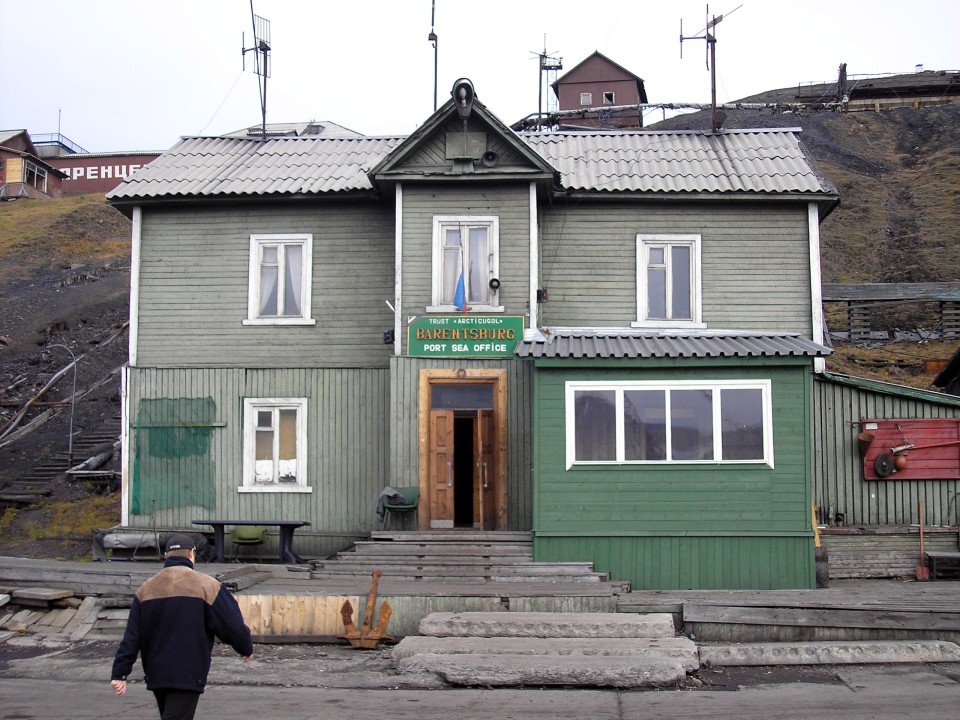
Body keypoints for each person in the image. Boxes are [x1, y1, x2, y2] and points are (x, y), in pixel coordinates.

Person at [110, 533, 253, 720]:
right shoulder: (207, 586)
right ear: (192, 554)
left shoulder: (146, 589)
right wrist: (244, 647)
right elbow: (231, 623)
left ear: (166, 556)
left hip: (156, 672)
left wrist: (120, 672)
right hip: (189, 671)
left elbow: (132, 636)